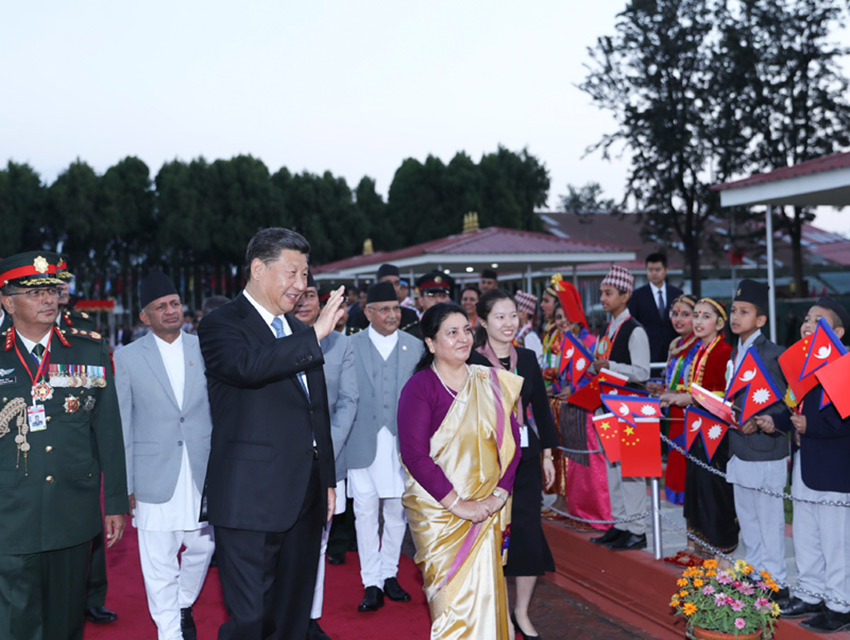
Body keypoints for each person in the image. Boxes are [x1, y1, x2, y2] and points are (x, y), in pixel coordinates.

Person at [197, 227, 345, 639]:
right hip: (250, 499)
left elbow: (318, 413)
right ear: (258, 269)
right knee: (251, 619)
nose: (301, 286)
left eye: (306, 275)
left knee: (294, 615)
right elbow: (248, 367)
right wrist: (315, 335)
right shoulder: (220, 324)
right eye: (292, 273)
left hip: (305, 495)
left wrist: (328, 480)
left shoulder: (299, 333)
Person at [0, 251, 128, 640]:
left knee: (65, 622)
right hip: (10, 512)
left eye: (52, 291)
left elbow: (108, 431)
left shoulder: (87, 349)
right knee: (14, 622)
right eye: (34, 293)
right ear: (7, 301)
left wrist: (117, 503)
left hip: (72, 511)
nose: (48, 300)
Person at [398, 303, 522, 639]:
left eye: (466, 330)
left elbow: (512, 444)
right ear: (431, 343)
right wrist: (459, 505)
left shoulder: (489, 381)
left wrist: (498, 496)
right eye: (451, 332)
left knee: (486, 598)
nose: (463, 338)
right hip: (439, 515)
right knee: (451, 610)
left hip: (485, 511)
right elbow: (415, 454)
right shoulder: (420, 387)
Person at [114, 272, 215, 640]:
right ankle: (170, 633)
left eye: (174, 303)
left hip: (201, 471)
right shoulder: (127, 358)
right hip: (152, 475)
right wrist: (125, 484)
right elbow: (123, 423)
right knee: (158, 563)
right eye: (161, 306)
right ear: (145, 317)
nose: (171, 311)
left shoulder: (205, 347)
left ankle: (182, 602)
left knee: (203, 545)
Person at [469, 289, 557, 640]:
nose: (508, 324)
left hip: (527, 460)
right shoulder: (473, 362)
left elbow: (543, 411)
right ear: (484, 322)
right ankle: (500, 612)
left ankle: (521, 612)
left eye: (512, 316)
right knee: (495, 539)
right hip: (490, 464)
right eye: (500, 317)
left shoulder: (529, 358)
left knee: (527, 534)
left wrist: (549, 455)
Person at [769, 298, 850, 632]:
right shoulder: (804, 368)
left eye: (819, 321)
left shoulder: (844, 366)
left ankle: (840, 605)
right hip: (805, 464)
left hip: (835, 470)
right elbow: (793, 409)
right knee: (806, 534)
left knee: (836, 540)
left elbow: (844, 421)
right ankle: (810, 593)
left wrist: (809, 427)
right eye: (806, 319)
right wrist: (771, 420)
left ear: (839, 332)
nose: (807, 325)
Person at [345, 281, 423, 613]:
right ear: (368, 313)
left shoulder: (416, 347)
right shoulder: (351, 346)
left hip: (402, 443)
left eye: (396, 308)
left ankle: (390, 573)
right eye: (385, 309)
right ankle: (371, 582)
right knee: (365, 511)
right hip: (362, 441)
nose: (393, 315)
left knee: (396, 511)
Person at [294, 273, 358, 640]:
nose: (305, 303)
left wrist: (324, 445)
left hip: (327, 461)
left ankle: (310, 617)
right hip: (283, 461)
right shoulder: (275, 342)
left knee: (318, 543)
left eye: (311, 296)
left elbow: (349, 401)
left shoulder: (340, 346)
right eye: (298, 296)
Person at [54, 256, 116, 625]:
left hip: (82, 437)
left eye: (63, 283)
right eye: (53, 283)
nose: (60, 289)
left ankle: (93, 595)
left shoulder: (84, 328)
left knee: (88, 519)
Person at [725, 279, 789, 605]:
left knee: (769, 521)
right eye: (733, 310)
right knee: (748, 520)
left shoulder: (775, 355)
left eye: (744, 312)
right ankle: (754, 573)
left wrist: (762, 422)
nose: (735, 316)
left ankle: (775, 580)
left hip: (766, 452)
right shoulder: (732, 354)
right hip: (739, 449)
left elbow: (785, 406)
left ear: (761, 320)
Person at [660, 298, 737, 567]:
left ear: (719, 322)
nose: (698, 321)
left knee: (712, 490)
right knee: (695, 488)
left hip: (714, 433)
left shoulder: (723, 351)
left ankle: (719, 551)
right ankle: (700, 547)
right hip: (696, 429)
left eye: (705, 317)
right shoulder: (701, 351)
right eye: (696, 316)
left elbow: (724, 396)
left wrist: (689, 399)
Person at [588, 265, 651, 551]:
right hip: (608, 405)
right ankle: (621, 523)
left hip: (630, 406)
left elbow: (642, 372)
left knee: (631, 471)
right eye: (602, 292)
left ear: (625, 296)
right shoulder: (606, 328)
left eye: (608, 293)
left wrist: (610, 366)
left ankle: (637, 529)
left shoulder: (635, 330)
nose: (603, 298)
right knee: (614, 468)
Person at [554, 284, 612, 532]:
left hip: (590, 410)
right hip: (571, 410)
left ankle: (599, 515)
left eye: (567, 316)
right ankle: (580, 512)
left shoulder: (591, 342)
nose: (563, 322)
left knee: (593, 464)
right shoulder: (564, 342)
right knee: (575, 463)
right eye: (558, 318)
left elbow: (599, 376)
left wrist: (575, 392)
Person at [652, 294, 700, 507]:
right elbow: (674, 381)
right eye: (675, 314)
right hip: (675, 419)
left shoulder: (700, 347)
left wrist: (675, 393)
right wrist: (661, 389)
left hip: (692, 418)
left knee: (693, 481)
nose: (678, 319)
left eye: (685, 315)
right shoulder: (676, 346)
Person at [627, 253, 684, 365]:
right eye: (650, 270)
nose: (654, 273)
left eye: (657, 269)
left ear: (665, 270)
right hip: (648, 351)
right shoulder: (637, 295)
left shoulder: (677, 294)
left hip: (674, 349)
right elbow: (632, 322)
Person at [348, 264, 420, 336]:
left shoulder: (410, 315)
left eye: (396, 283)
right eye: (388, 283)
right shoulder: (360, 317)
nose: (393, 288)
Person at [513, 290, 543, 362]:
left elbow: (537, 360)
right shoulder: (519, 331)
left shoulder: (530, 335)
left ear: (524, 314)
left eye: (515, 311)